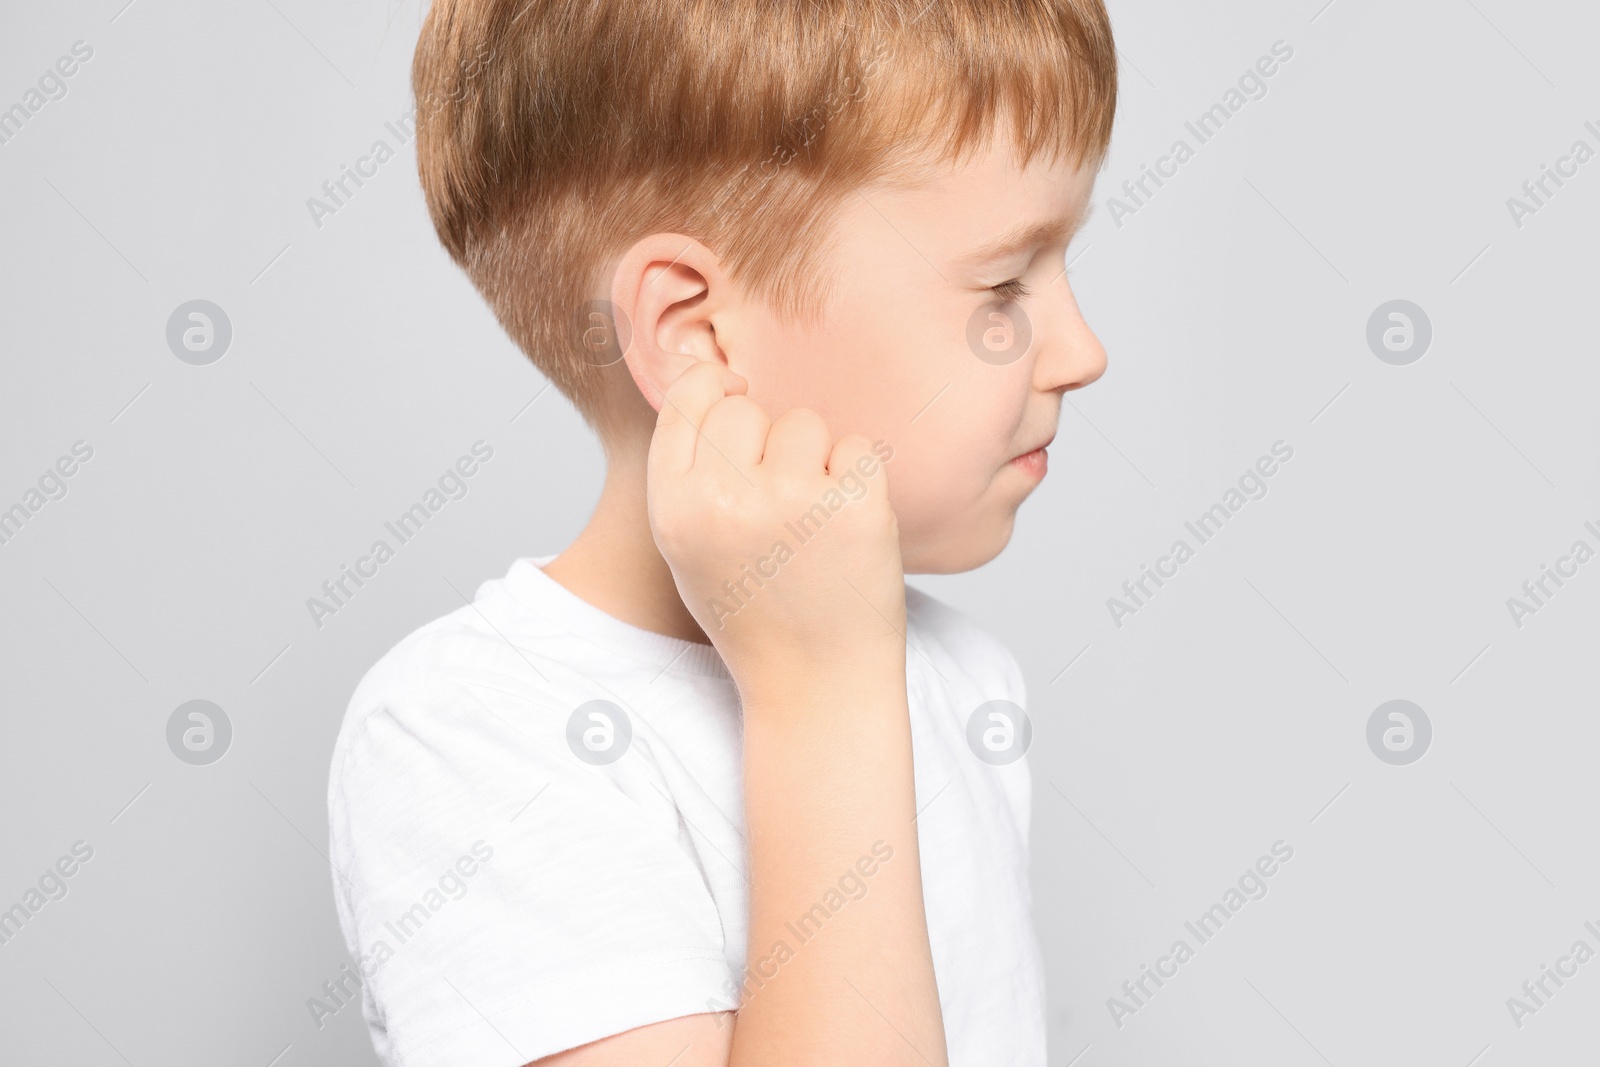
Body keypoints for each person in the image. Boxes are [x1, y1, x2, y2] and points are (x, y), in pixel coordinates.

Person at [327, 1, 1115, 1063]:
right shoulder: (468, 733)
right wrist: (819, 700)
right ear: (697, 336)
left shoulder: (963, 677)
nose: (1081, 349)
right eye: (1004, 285)